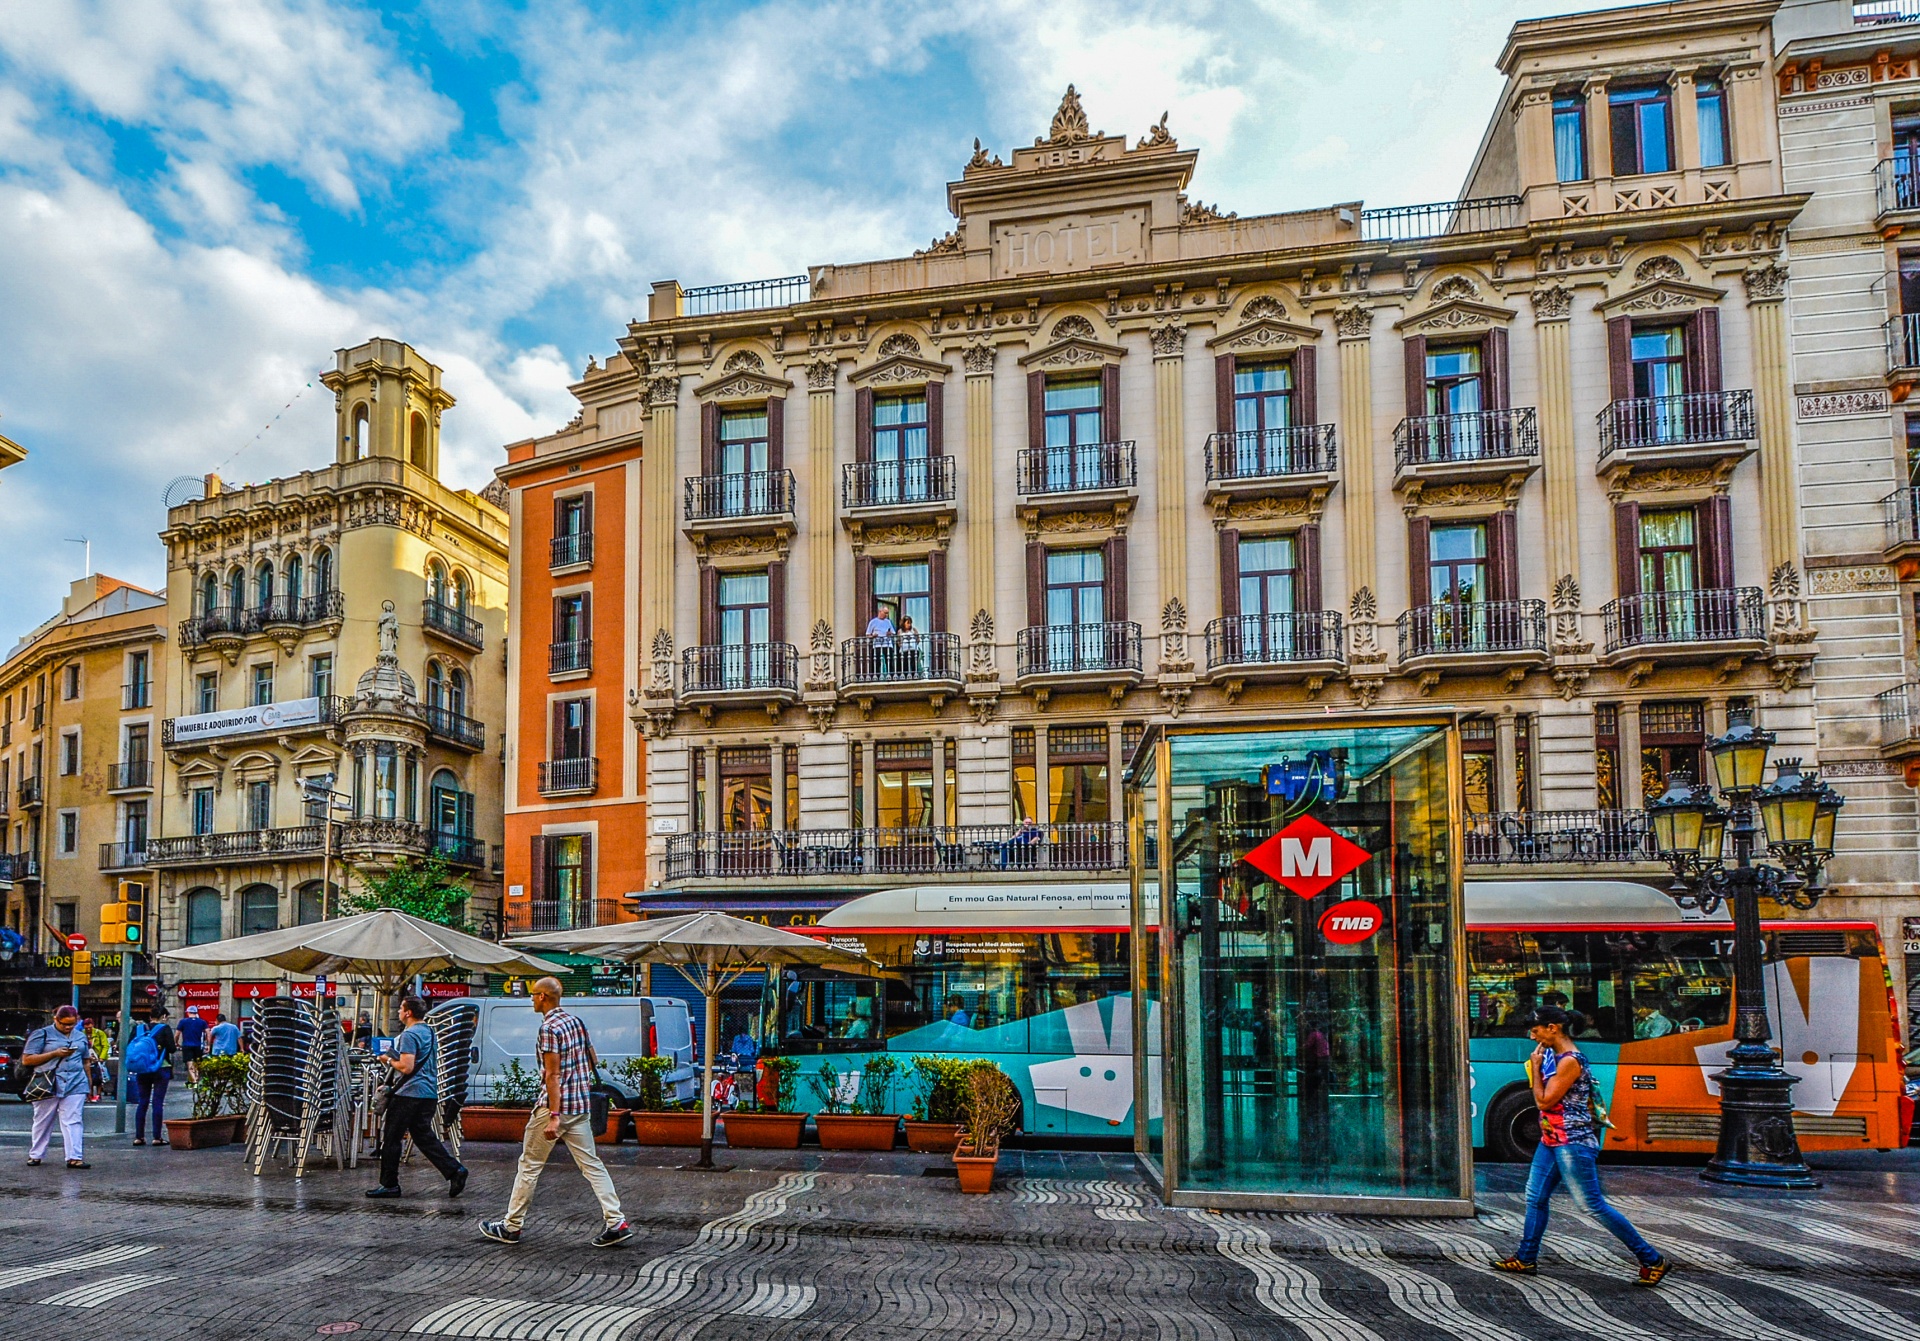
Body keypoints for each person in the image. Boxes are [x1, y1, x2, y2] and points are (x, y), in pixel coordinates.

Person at [1495, 1005, 1669, 1286]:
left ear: (1554, 1028)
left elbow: (1543, 1101)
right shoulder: (1556, 1056)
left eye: (1536, 1030)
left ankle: (1651, 1259)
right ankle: (1525, 1258)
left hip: (1572, 1142)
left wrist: (1536, 1069)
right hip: (1552, 1140)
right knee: (1535, 1198)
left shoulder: (1570, 1062)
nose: (1531, 1037)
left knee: (1592, 1205)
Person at [479, 977, 632, 1247]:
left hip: (555, 1108)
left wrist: (553, 1115)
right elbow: (593, 1059)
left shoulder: (549, 1028)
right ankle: (616, 1221)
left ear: (543, 998)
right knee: (592, 1165)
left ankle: (511, 1226)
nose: (530, 999)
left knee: (529, 1165)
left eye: (533, 994)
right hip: (581, 1106)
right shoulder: (577, 1022)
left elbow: (552, 1075)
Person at [367, 996, 467, 1200]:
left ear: (408, 1012)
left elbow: (406, 1066)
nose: (398, 1012)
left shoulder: (409, 1035)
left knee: (392, 1138)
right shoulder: (429, 1032)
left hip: (408, 1094)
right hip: (428, 1093)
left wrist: (388, 1060)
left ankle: (389, 1184)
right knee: (423, 1136)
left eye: (401, 1009)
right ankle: (454, 1170)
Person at [22, 1005, 99, 1168]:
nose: (67, 1027)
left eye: (71, 1024)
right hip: (48, 1083)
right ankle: (36, 1154)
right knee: (43, 1119)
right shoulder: (41, 1034)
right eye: (64, 1024)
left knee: (73, 1119)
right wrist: (54, 1053)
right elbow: (27, 1060)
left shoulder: (80, 1036)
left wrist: (88, 1082)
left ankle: (74, 1157)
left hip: (76, 1082)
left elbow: (85, 1060)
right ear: (56, 1019)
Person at [129, 1009, 176, 1148]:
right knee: (157, 1102)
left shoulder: (138, 1029)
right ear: (164, 1016)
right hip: (161, 1067)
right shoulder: (165, 1028)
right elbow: (172, 1049)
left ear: (150, 1017)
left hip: (142, 1069)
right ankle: (157, 1137)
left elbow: (130, 1046)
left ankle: (139, 1137)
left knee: (142, 1102)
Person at [864, 603, 897, 676]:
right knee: (876, 662)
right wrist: (873, 636)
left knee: (889, 661)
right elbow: (867, 635)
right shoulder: (873, 622)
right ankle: (876, 676)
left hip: (887, 644)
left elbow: (893, 633)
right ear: (880, 612)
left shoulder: (888, 622)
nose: (886, 615)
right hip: (877, 645)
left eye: (887, 613)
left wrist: (890, 633)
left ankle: (891, 676)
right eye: (885, 613)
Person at [178, 1007, 207, 1082]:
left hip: (187, 1045)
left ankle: (194, 1080)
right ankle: (196, 1077)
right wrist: (208, 1044)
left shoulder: (183, 1021)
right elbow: (208, 1032)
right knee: (197, 1063)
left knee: (189, 1063)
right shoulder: (202, 1022)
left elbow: (177, 1034)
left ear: (188, 1012)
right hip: (198, 1045)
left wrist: (176, 1042)